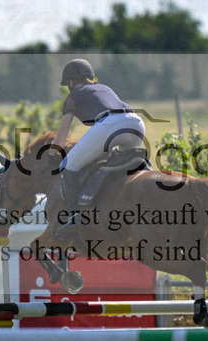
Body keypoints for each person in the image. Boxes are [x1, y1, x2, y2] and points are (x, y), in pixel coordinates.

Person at [52, 59, 145, 234]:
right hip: (136, 123)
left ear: (71, 81)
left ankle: (75, 216)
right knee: (118, 164)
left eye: (68, 83)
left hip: (111, 124)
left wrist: (53, 153)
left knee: (67, 166)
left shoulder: (73, 96)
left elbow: (62, 137)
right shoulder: (105, 88)